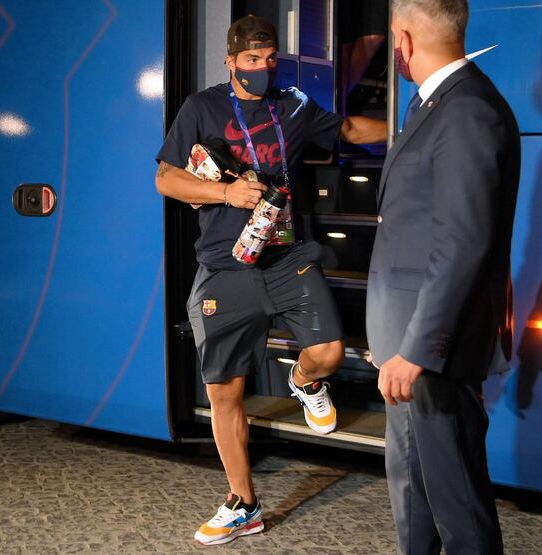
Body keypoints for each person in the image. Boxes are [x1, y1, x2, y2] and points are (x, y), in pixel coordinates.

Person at [154, 15, 386, 546]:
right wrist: (226, 194)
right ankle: (244, 503)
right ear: (231, 61)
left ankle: (304, 383)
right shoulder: (202, 107)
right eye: (252, 60)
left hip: (286, 257)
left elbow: (348, 130)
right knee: (224, 392)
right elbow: (166, 176)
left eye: (270, 58)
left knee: (328, 352)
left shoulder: (294, 106)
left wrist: (409, 126)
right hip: (224, 264)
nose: (263, 68)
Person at [366, 1, 520, 553]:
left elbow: (462, 243)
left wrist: (419, 348)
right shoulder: (438, 106)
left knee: (457, 504)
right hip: (408, 342)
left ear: (403, 40)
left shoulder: (467, 111)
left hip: (434, 351)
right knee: (414, 487)